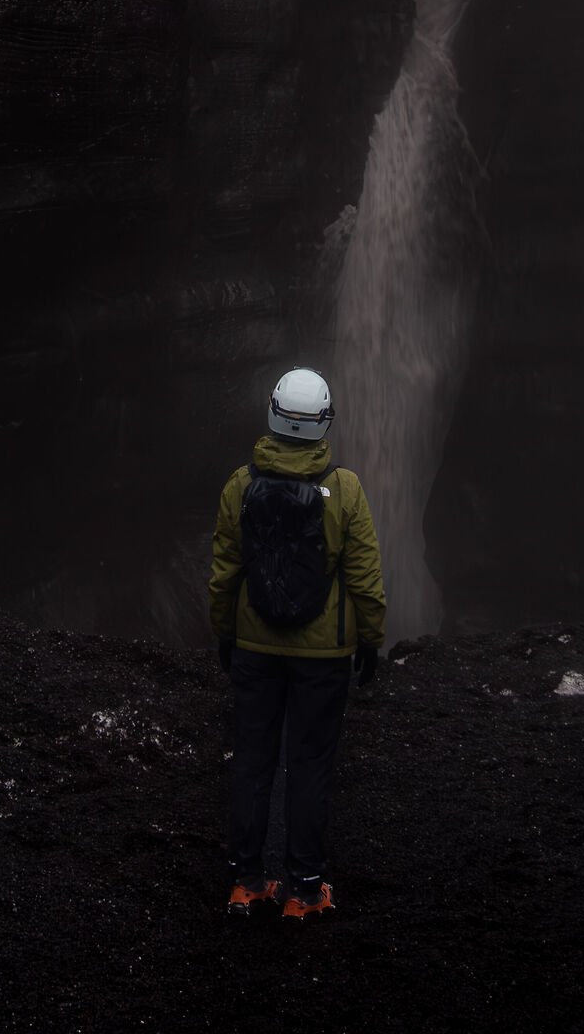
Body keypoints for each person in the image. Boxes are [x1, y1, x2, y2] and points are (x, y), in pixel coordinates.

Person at [208, 365, 386, 921]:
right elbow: (364, 576)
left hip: (256, 650)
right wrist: (370, 640)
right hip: (323, 658)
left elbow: (225, 572)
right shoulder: (347, 489)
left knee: (253, 762)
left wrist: (225, 633)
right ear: (323, 422)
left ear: (272, 413)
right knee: (309, 766)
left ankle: (247, 883)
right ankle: (306, 889)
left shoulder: (240, 484)